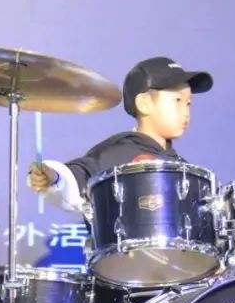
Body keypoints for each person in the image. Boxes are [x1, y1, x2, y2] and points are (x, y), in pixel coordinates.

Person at [27, 56, 212, 210]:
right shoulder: (119, 151)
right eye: (177, 101)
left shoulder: (184, 168)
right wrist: (53, 176)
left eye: (188, 103)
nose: (186, 111)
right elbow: (80, 174)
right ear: (144, 104)